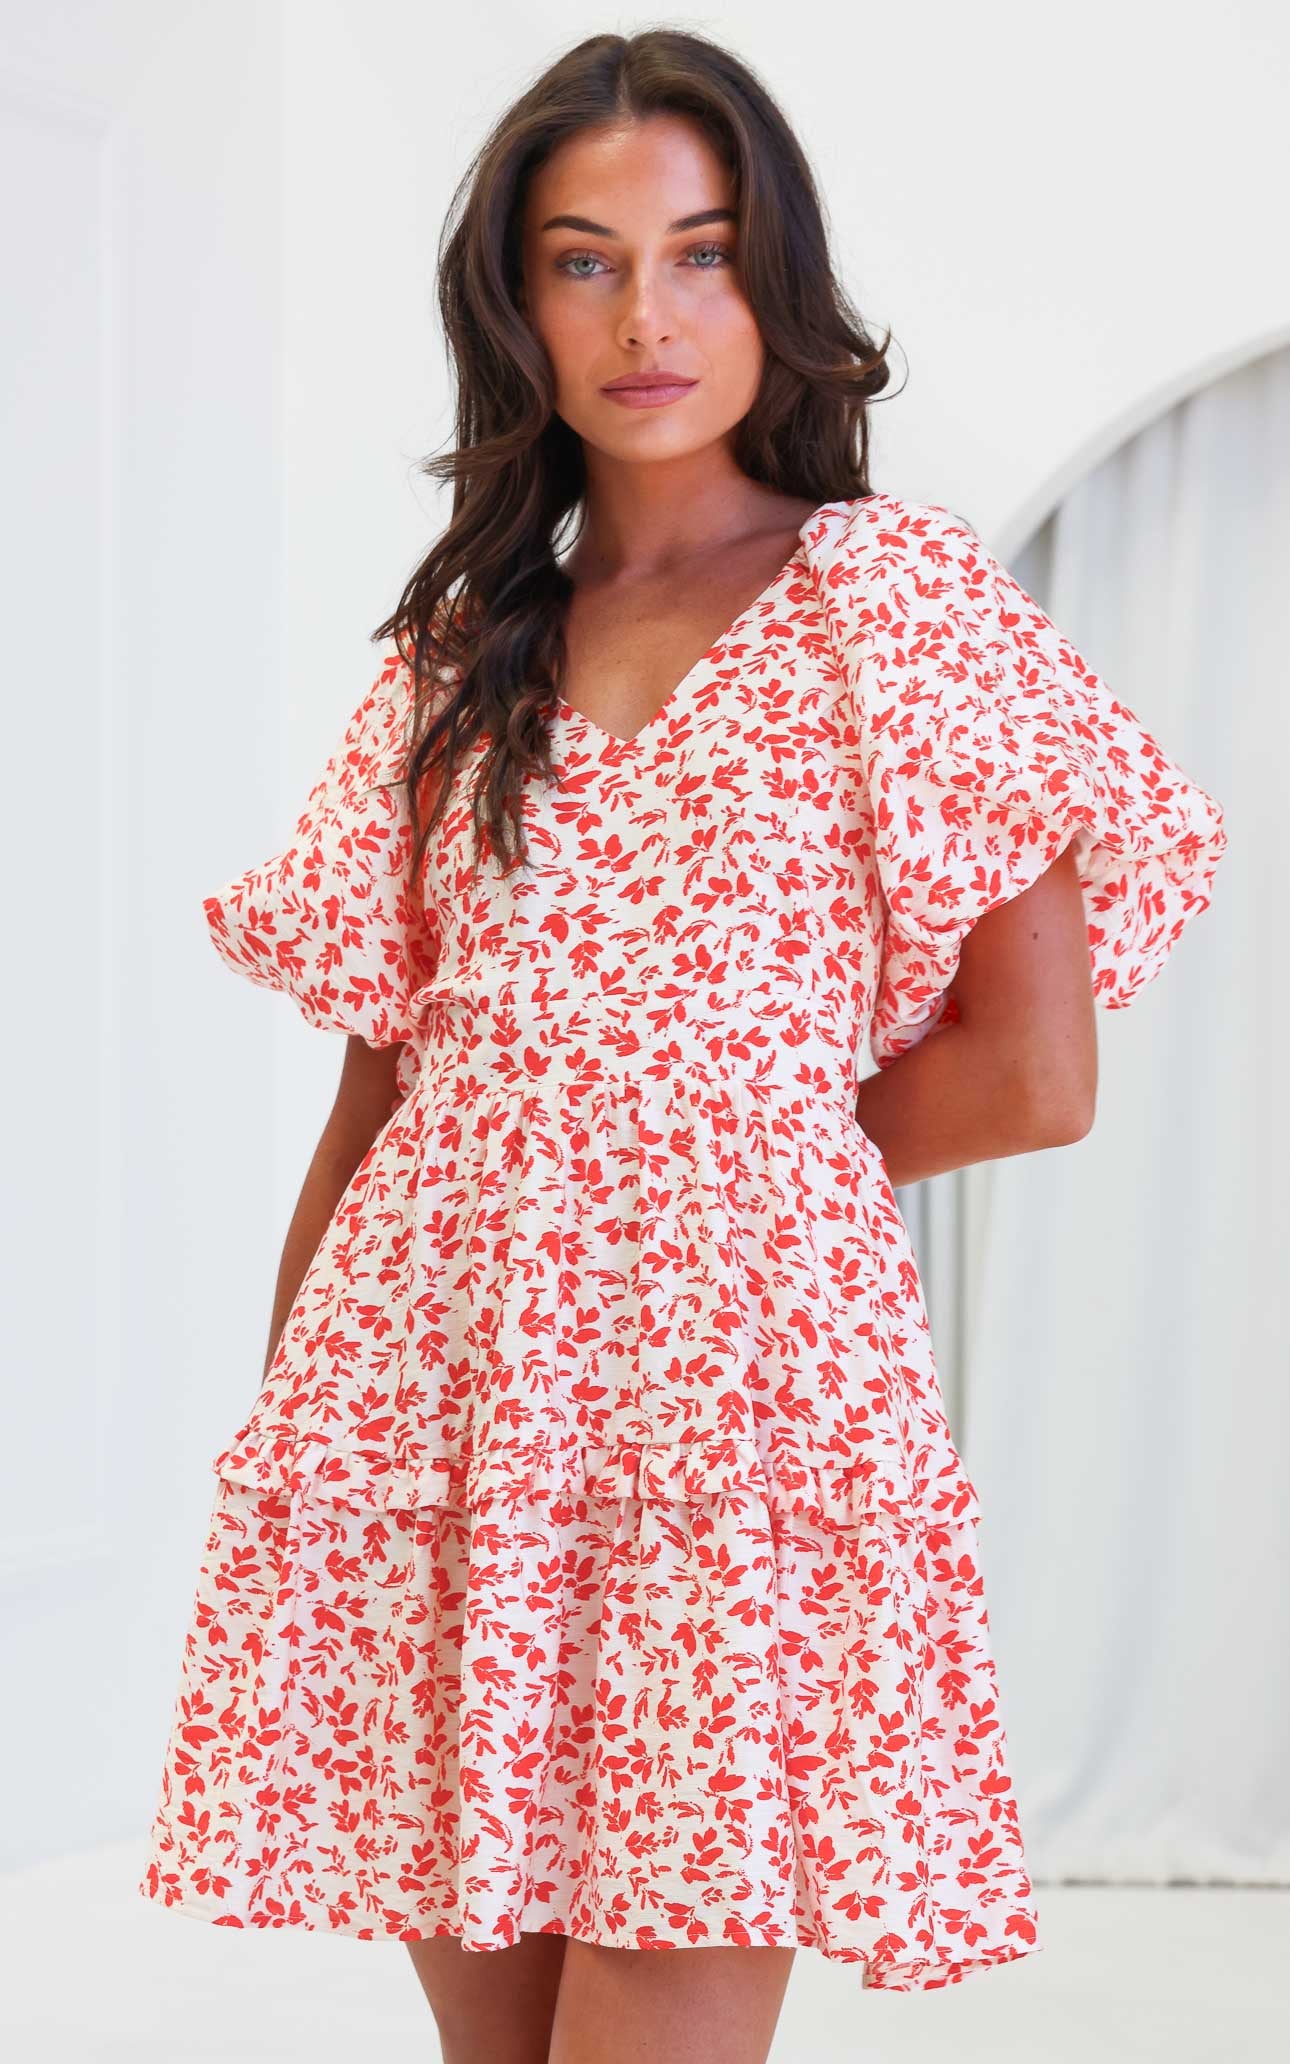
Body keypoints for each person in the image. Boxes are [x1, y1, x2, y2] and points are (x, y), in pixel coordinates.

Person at [137, 27, 1227, 2064]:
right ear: (515, 305)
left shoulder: (891, 603)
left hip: (730, 1430)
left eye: (701, 253)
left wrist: (698, 1160)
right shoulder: (458, 658)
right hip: (435, 1421)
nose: (646, 315)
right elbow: (380, 1103)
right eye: (585, 260)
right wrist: (292, 1456)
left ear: (772, 280)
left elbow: (1035, 1072)